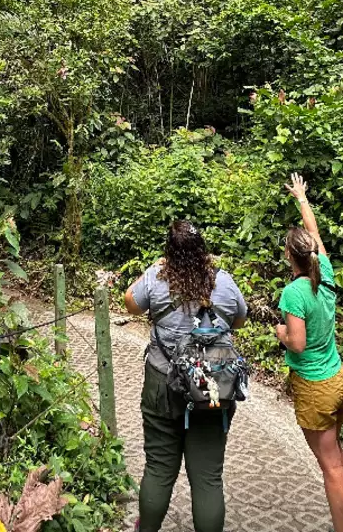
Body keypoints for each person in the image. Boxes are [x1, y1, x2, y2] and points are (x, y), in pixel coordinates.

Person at [122, 220, 249, 532]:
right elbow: (241, 320)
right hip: (210, 388)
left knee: (158, 469)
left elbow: (130, 304)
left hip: (161, 385)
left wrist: (153, 268)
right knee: (207, 478)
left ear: (169, 251)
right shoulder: (224, 282)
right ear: (202, 250)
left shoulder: (156, 277)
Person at [273, 173, 343, 532]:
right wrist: (302, 198)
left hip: (315, 385)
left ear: (288, 254)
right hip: (338, 379)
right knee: (339, 457)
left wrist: (280, 331)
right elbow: (317, 236)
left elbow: (297, 342)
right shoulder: (323, 271)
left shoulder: (294, 293)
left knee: (331, 466)